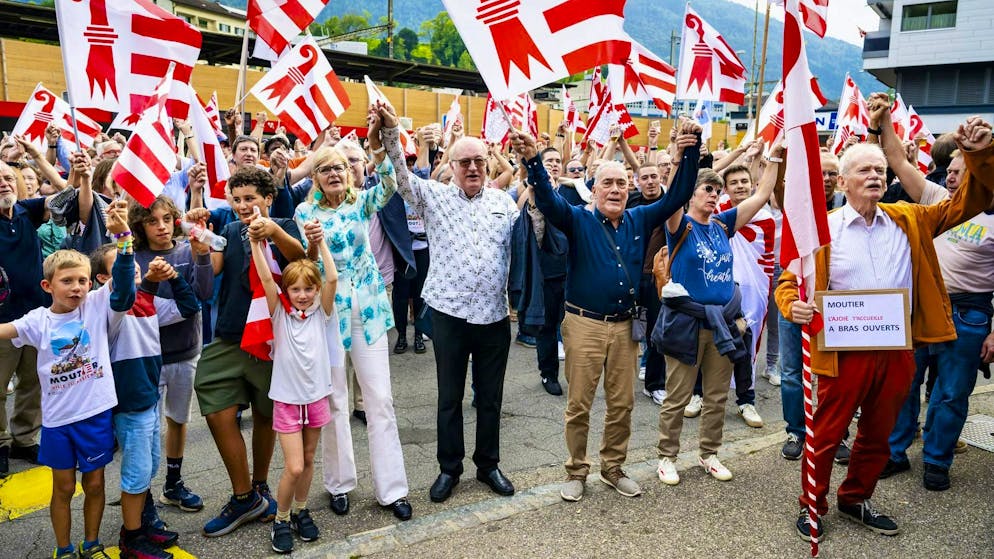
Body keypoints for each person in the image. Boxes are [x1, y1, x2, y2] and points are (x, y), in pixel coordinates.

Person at [775, 115, 994, 542]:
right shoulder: (823, 230)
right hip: (842, 352)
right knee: (827, 432)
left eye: (880, 169)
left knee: (879, 433)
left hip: (897, 349)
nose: (875, 175)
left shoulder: (909, 218)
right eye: (864, 170)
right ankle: (811, 504)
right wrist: (792, 305)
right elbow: (788, 282)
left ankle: (855, 497)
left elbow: (967, 204)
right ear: (843, 184)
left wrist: (979, 153)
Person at [511, 121, 698, 503]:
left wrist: (690, 150)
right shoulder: (577, 218)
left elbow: (678, 193)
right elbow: (546, 198)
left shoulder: (639, 218)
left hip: (626, 327)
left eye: (620, 184)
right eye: (607, 183)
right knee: (579, 403)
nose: (614, 189)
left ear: (628, 191)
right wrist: (532, 159)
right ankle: (576, 470)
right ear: (593, 190)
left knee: (622, 404)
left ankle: (613, 468)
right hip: (583, 325)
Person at [387, 105, 519, 504]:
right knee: (450, 397)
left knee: (491, 397)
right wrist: (393, 132)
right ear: (452, 164)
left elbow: (526, 247)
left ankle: (488, 464)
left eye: (479, 160)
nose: (473, 167)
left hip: (495, 315)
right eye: (464, 161)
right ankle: (450, 468)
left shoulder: (504, 203)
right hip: (449, 314)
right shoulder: (435, 197)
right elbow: (401, 177)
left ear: (488, 164)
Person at [870, 99, 994, 491]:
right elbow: (898, 160)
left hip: (970, 313)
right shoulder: (937, 198)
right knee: (904, 382)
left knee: (952, 393)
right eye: (952, 170)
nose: (954, 177)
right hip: (922, 305)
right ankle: (894, 453)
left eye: (963, 170)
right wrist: (884, 122)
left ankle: (937, 461)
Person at [0, 200, 133, 559]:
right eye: (67, 281)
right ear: (48, 285)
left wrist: (123, 239)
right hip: (58, 422)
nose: (76, 288)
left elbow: (122, 281)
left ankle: (91, 544)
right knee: (61, 488)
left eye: (83, 281)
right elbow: (5, 330)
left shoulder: (95, 305)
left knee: (94, 483)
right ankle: (63, 548)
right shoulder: (37, 321)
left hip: (95, 415)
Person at [300, 106, 412, 522]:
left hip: (368, 307)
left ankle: (393, 490)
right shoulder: (305, 214)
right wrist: (312, 246)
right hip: (328, 311)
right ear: (315, 178)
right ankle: (339, 484)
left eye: (342, 168)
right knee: (334, 400)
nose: (335, 172)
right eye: (326, 168)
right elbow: (307, 269)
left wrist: (378, 143)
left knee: (379, 398)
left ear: (350, 174)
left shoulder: (363, 204)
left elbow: (389, 183)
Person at [184, 167, 305, 537]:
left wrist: (274, 231)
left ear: (268, 198)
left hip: (276, 337)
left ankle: (261, 484)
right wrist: (200, 251)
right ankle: (244, 496)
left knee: (268, 413)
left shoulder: (285, 222)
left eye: (250, 198)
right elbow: (205, 286)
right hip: (230, 335)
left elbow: (301, 259)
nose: (241, 205)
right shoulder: (230, 231)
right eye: (235, 199)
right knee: (216, 404)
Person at [654, 145, 779, 488]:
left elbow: (763, 193)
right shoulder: (680, 226)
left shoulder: (723, 224)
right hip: (687, 325)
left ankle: (709, 454)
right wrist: (683, 158)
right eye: (707, 189)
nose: (714, 195)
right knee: (678, 396)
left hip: (723, 326)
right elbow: (672, 194)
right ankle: (666, 457)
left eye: (717, 190)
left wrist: (777, 156)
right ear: (691, 195)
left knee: (717, 396)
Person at [92, 246, 200, 559]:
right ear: (103, 279)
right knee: (137, 473)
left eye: (132, 263)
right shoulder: (112, 308)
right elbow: (123, 292)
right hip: (130, 403)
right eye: (122, 266)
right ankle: (132, 539)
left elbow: (189, 306)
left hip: (149, 398)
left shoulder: (146, 301)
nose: (133, 268)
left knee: (150, 466)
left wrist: (173, 277)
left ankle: (137, 524)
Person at [250, 228, 341, 553]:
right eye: (295, 289)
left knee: (310, 457)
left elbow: (332, 279)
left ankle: (301, 511)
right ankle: (282, 519)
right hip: (287, 401)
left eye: (308, 289)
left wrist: (322, 244)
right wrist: (254, 244)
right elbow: (264, 277)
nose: (302, 295)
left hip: (316, 397)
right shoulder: (280, 313)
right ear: (286, 290)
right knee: (295, 465)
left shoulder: (321, 312)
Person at [129, 196, 214, 513]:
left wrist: (202, 252)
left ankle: (173, 483)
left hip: (184, 351)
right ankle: (142, 492)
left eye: (166, 219)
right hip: (146, 357)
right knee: (145, 427)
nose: (161, 226)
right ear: (141, 226)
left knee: (177, 420)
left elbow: (204, 293)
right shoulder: (133, 257)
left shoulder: (185, 250)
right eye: (152, 221)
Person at [0, 160, 45, 477]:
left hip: (35, 317)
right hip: (2, 323)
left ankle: (25, 440)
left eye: (7, 177)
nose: (4, 183)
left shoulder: (28, 211)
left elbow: (70, 192)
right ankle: (0, 444)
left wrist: (39, 157)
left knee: (33, 381)